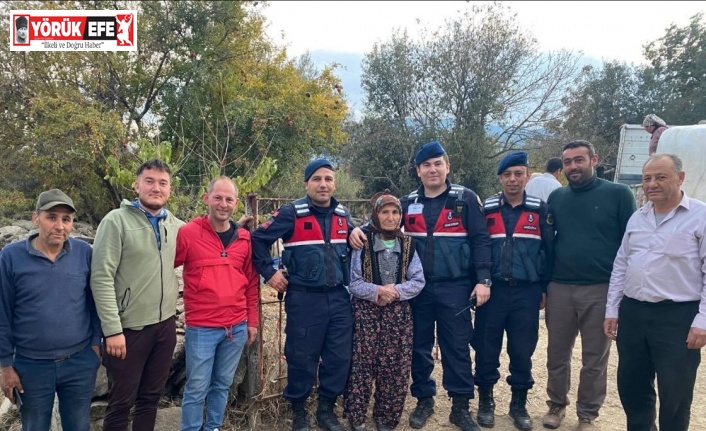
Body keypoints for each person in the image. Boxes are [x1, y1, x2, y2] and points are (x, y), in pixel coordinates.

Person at [349, 140, 492, 431]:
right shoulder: (407, 202)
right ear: (418, 170)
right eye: (426, 165)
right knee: (419, 347)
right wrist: (356, 229)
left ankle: (460, 405)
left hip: (455, 287)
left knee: (456, 347)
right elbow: (381, 222)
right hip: (418, 290)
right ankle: (424, 399)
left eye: (438, 163)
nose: (432, 169)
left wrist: (483, 280)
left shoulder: (464, 198)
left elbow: (480, 240)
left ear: (447, 166)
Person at [604, 154, 706, 431]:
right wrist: (612, 309)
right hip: (635, 312)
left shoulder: (700, 216)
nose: (652, 184)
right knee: (632, 385)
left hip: (678, 316)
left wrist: (702, 321)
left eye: (660, 177)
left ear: (680, 178)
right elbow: (621, 264)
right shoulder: (638, 217)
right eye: (647, 178)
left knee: (675, 391)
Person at [251, 158, 354, 431]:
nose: (323, 184)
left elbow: (356, 243)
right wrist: (269, 274)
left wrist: (358, 234)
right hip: (305, 299)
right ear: (306, 183)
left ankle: (326, 410)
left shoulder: (343, 215)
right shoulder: (291, 213)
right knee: (301, 356)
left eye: (328, 179)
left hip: (339, 299)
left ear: (334, 183)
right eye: (317, 179)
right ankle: (298, 410)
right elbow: (257, 240)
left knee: (338, 357)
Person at [543, 140, 636, 431]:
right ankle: (556, 405)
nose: (573, 166)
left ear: (594, 160)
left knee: (595, 357)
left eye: (579, 160)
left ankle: (587, 415)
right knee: (557, 353)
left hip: (601, 288)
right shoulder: (557, 198)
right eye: (568, 161)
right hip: (560, 287)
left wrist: (622, 292)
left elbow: (631, 243)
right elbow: (549, 243)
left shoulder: (618, 194)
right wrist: (545, 285)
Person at [90, 159, 184, 431]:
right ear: (137, 184)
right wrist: (112, 330)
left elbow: (209, 234)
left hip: (165, 326)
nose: (156, 188)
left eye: (163, 183)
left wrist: (240, 226)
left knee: (151, 398)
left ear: (170, 189)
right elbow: (101, 277)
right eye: (150, 181)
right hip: (127, 330)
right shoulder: (115, 221)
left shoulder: (175, 225)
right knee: (121, 402)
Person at [0, 189, 101, 431]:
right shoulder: (11, 256)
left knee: (78, 426)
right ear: (36, 218)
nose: (59, 226)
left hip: (79, 361)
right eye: (52, 217)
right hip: (31, 364)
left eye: (66, 219)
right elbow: (2, 312)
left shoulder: (84, 253)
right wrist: (5, 366)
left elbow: (95, 301)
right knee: (34, 426)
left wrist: (95, 345)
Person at [472, 152, 554, 430]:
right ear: (500, 178)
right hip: (493, 292)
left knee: (522, 350)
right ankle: (486, 402)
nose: (513, 179)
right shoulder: (489, 209)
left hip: (526, 292)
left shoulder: (539, 209)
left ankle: (518, 404)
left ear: (527, 176)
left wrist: (544, 288)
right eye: (507, 174)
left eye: (518, 173)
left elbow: (549, 251)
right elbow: (479, 247)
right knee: (485, 348)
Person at [175, 177, 260, 431]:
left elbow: (252, 284)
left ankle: (212, 426)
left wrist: (252, 322)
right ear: (206, 199)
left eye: (229, 199)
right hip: (202, 328)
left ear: (235, 203)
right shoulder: (188, 233)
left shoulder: (244, 239)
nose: (223, 204)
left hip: (236, 327)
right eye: (218, 198)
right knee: (196, 388)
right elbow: (163, 266)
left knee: (222, 384)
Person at [342, 190, 425, 431]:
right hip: (366, 313)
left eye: (395, 212)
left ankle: (386, 418)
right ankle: (357, 417)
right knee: (361, 364)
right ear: (376, 215)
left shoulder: (408, 243)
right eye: (385, 212)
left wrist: (395, 292)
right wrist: (377, 291)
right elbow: (354, 282)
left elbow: (418, 281)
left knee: (395, 367)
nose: (390, 217)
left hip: (397, 316)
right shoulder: (363, 241)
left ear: (401, 215)